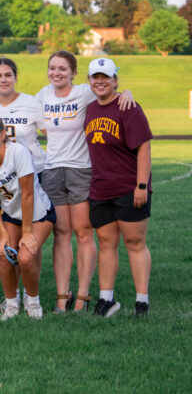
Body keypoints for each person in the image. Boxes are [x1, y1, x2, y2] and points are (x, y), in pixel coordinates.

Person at [37, 50, 134, 313]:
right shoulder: (42, 95)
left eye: (62, 69)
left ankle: (82, 296)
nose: (56, 73)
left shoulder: (84, 92)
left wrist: (127, 93)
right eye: (52, 68)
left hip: (81, 170)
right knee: (60, 234)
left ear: (73, 73)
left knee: (82, 232)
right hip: (53, 170)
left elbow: (110, 93)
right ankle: (61, 296)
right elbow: (19, 112)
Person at [84, 58, 152, 317]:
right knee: (106, 243)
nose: (100, 81)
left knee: (134, 242)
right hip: (101, 188)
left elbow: (144, 146)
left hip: (128, 186)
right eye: (95, 77)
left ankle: (142, 301)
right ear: (89, 80)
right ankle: (106, 299)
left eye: (106, 77)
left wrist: (142, 184)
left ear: (115, 80)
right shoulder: (90, 109)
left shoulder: (128, 107)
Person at [0, 115, 55, 320]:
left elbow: (27, 194)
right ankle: (11, 303)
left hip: (38, 215)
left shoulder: (17, 152)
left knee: (25, 257)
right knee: (5, 257)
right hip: (11, 216)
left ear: (3, 134)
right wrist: (2, 233)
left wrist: (27, 232)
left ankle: (33, 301)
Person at [0, 57, 44, 171]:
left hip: (34, 169)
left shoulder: (32, 103)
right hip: (1, 173)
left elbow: (51, 134)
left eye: (8, 75)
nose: (3, 80)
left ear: (16, 77)